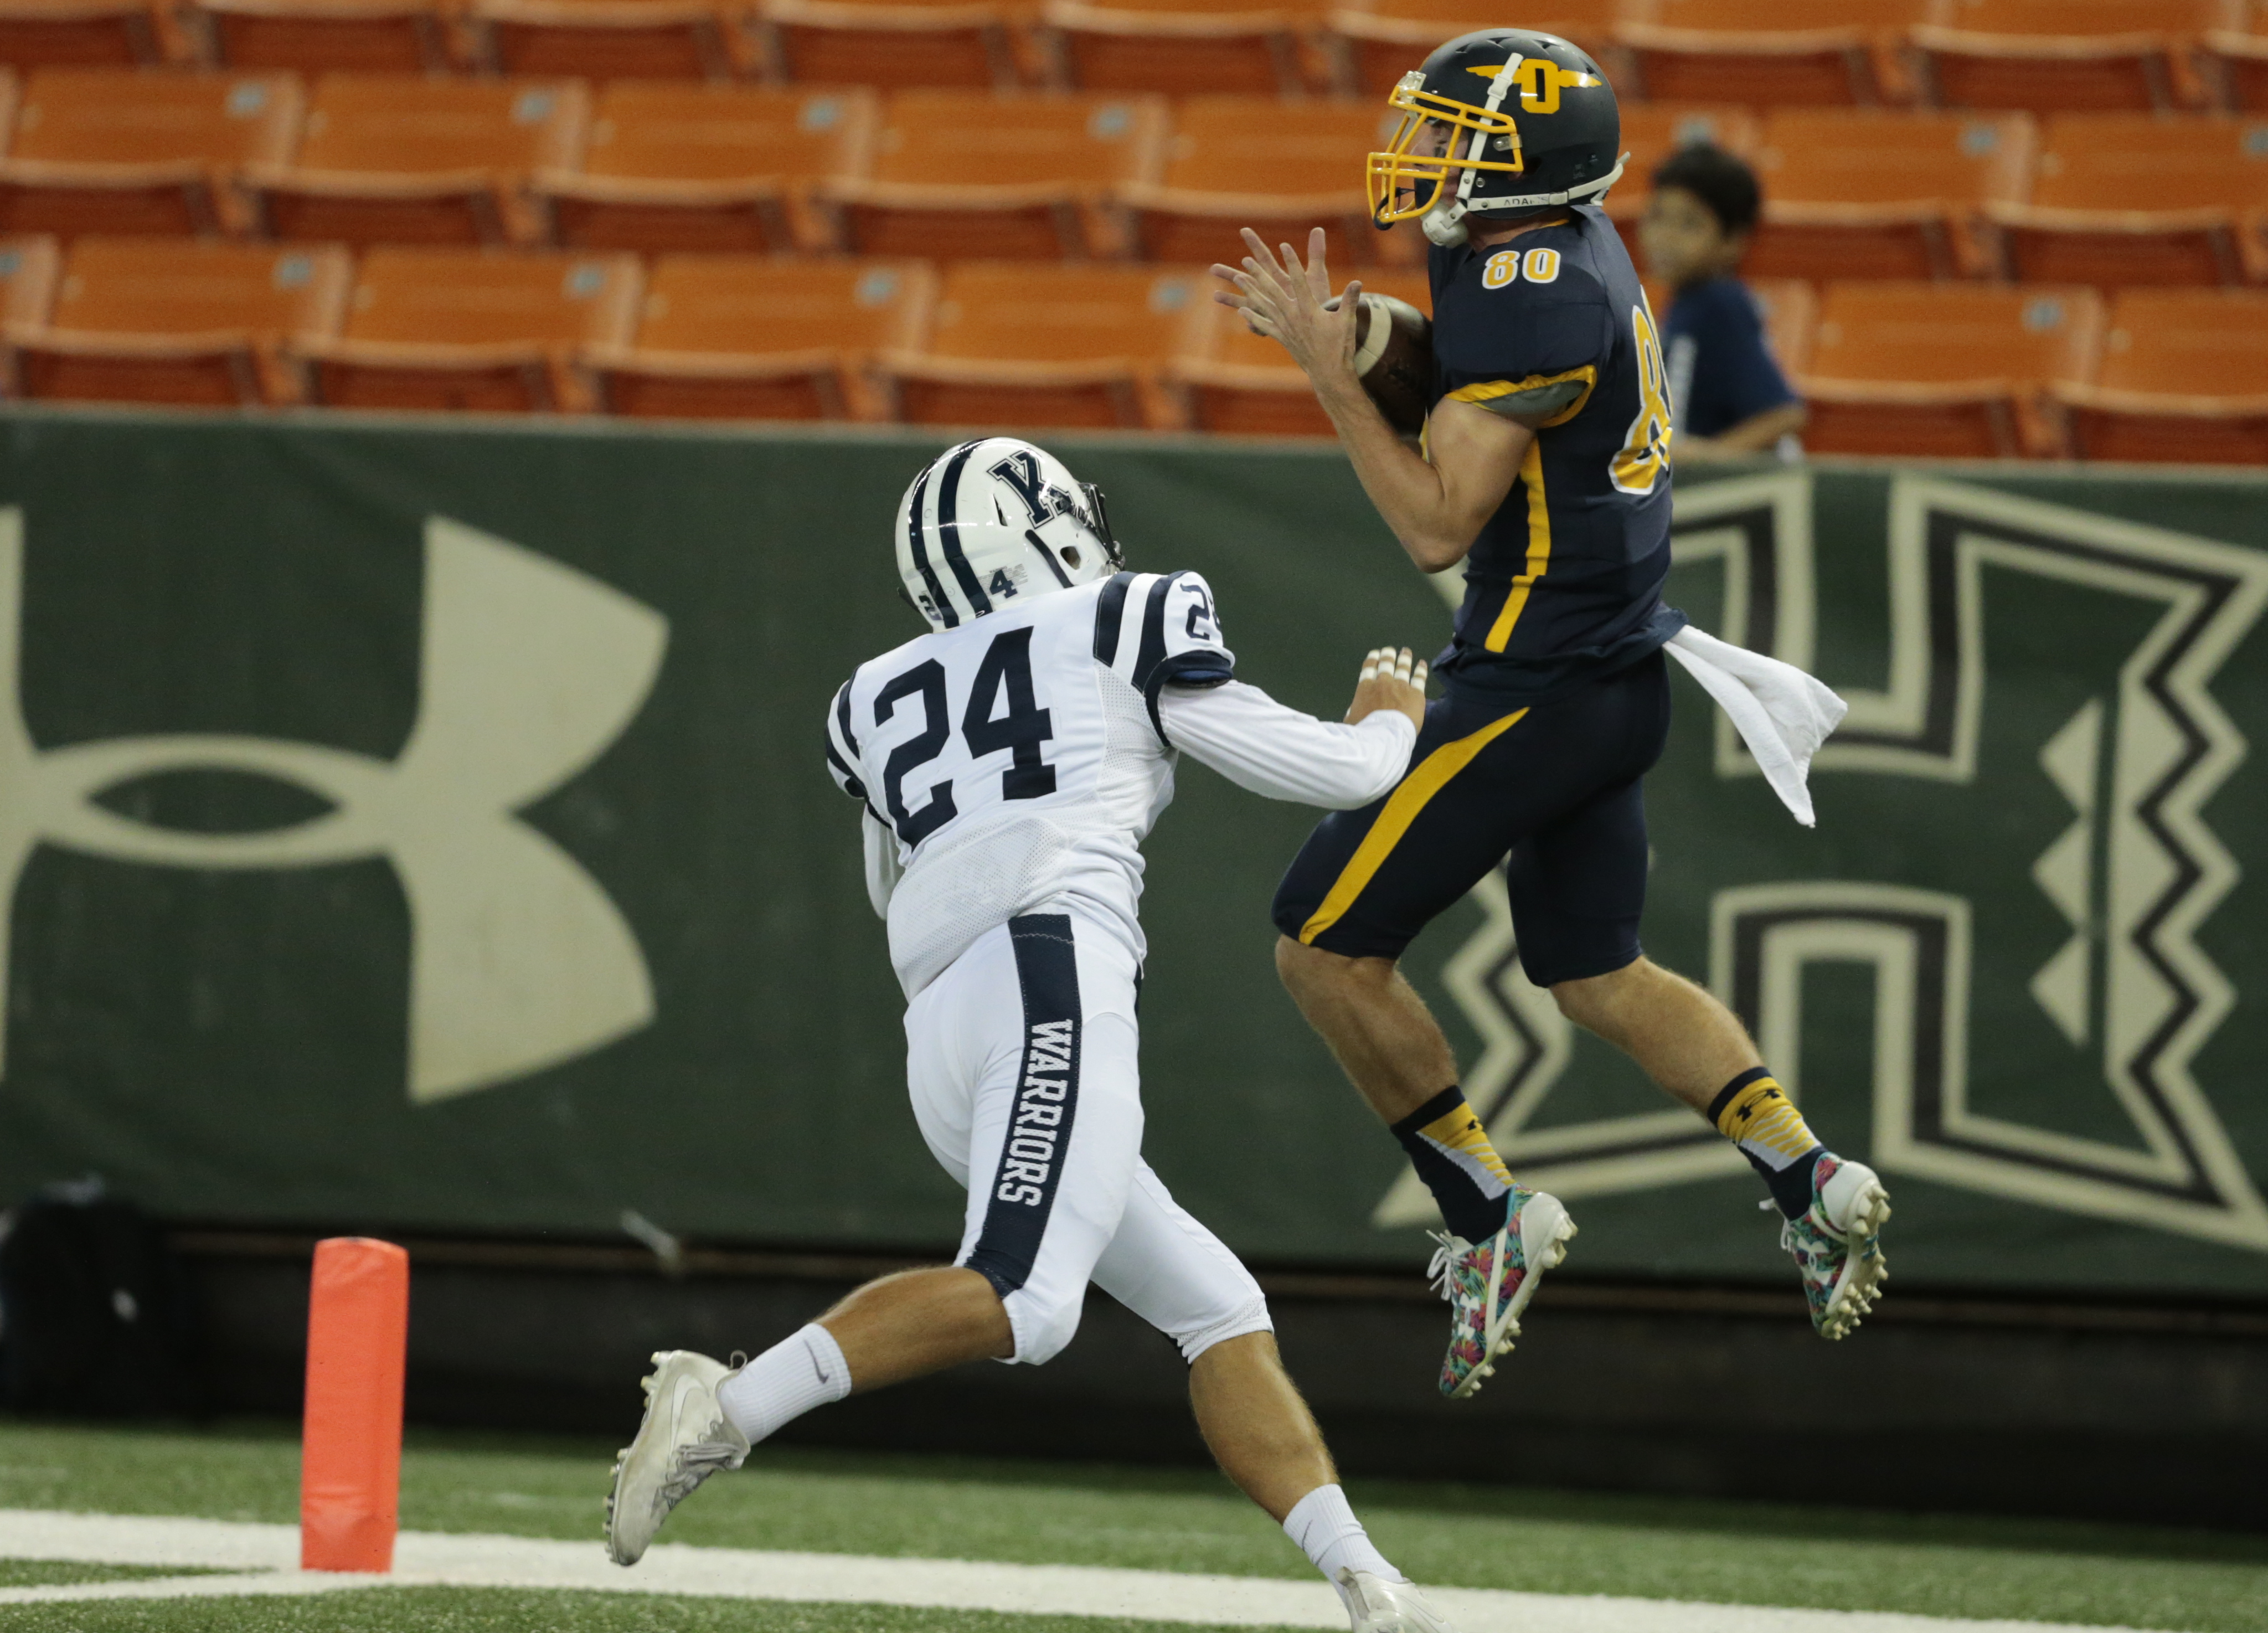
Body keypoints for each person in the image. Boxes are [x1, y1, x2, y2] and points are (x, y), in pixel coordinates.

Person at [606, 436, 1461, 1633]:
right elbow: (1324, 771)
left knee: (1214, 1302)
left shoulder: (869, 695)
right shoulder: (1123, 615)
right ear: (1046, 525)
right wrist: (1386, 723)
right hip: (1049, 965)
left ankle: (1369, 1586)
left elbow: (886, 880)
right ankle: (729, 1403)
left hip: (943, 1026)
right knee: (1025, 1297)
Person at [1211, 30, 1886, 1401]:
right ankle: (1808, 1176)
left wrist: (1329, 372)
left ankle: (1487, 1214)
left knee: (1322, 947)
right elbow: (1476, 393)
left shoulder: (1533, 284)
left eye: (1450, 133)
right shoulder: (1531, 246)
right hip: (1613, 669)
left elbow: (1436, 520)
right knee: (1595, 972)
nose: (1422, 156)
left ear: (1524, 159)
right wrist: (1385, 340)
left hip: (1536, 678)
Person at [1639, 142, 1807, 461]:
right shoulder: (1686, 303)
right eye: (1658, 217)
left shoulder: (1719, 303)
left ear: (1734, 242)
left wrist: (1707, 460)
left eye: (1690, 224)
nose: (1665, 236)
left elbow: (1783, 416)